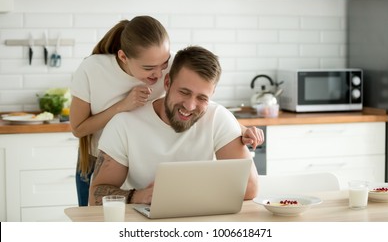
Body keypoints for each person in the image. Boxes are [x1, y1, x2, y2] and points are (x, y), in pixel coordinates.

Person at [70, 16, 263, 206]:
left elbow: (203, 99)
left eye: (163, 65)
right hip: (99, 154)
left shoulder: (169, 66)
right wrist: (122, 107)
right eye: (149, 68)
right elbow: (78, 129)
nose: (158, 73)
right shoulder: (93, 71)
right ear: (123, 57)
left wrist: (238, 128)